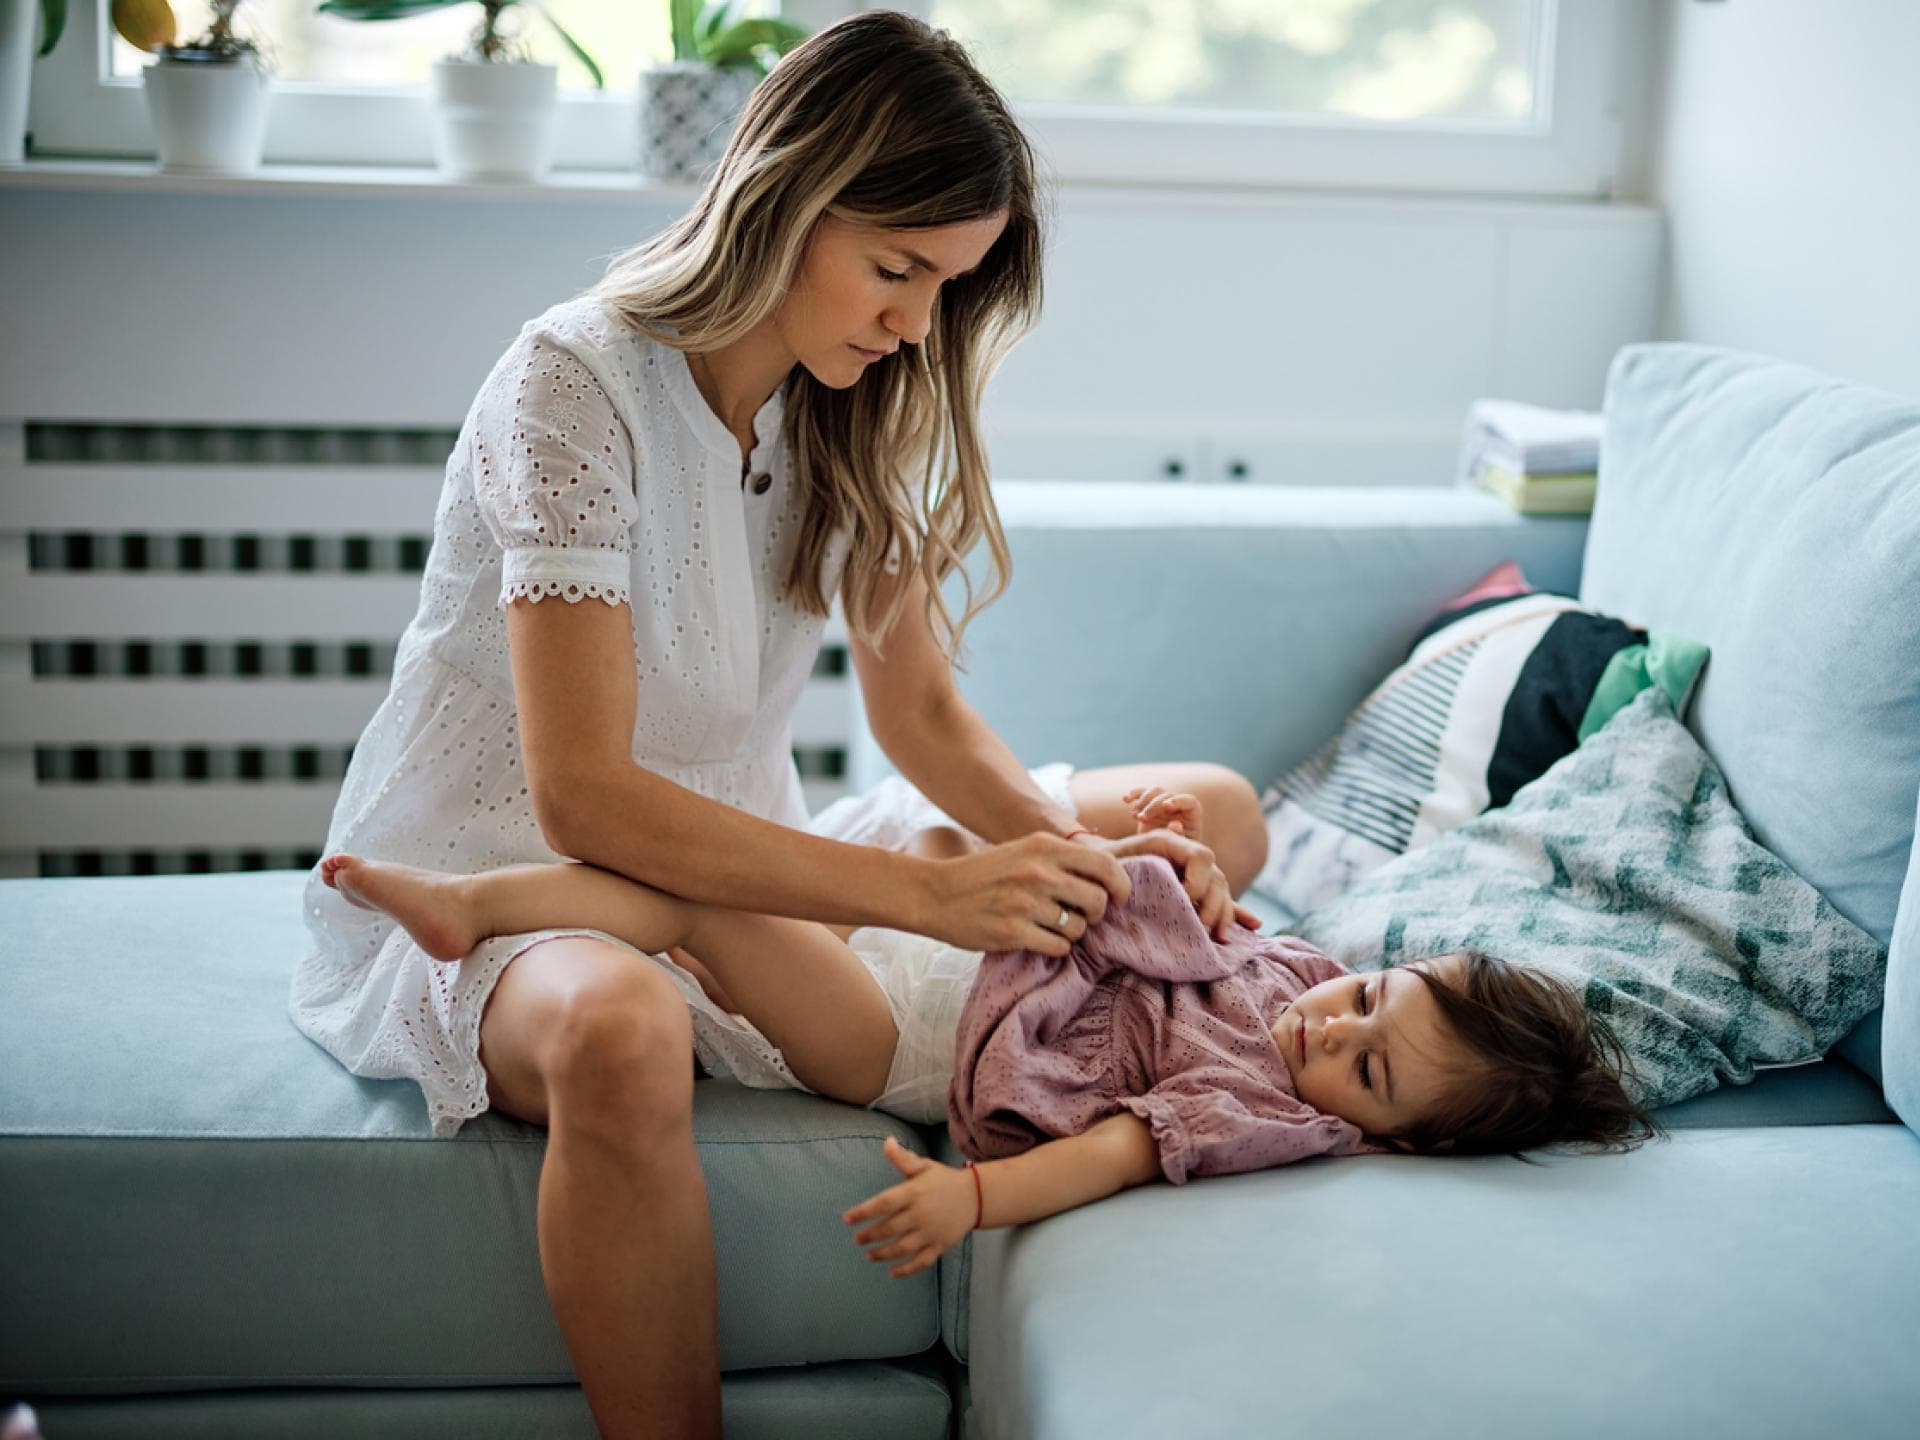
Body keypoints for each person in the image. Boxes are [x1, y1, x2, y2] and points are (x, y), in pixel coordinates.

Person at [290, 12, 1266, 1438]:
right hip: (515, 871)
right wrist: (927, 895)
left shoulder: (850, 395)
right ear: (789, 197)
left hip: (747, 850)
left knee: (1215, 813)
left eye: (949, 285)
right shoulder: (573, 384)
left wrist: (1094, 888)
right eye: (898, 269)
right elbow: (587, 799)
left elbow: (920, 712)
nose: (919, 322)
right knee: (618, 1028)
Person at [317, 787, 1664, 1286]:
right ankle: (481, 904)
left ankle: (482, 904)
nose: (1331, 1029)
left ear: (1389, 1139)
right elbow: (1213, 928)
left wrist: (975, 1198)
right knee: (835, 861)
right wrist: (1180, 872)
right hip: (959, 938)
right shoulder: (1311, 967)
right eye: (1373, 1001)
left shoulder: (1271, 1111)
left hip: (904, 1038)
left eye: (1367, 1074)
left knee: (707, 901)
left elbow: (1121, 1156)